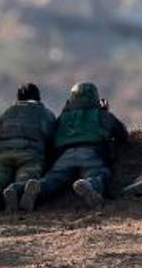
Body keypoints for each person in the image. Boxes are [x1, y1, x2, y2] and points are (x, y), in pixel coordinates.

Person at [20, 82, 127, 211]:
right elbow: (122, 134)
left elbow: (53, 137)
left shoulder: (63, 117)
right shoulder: (102, 115)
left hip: (65, 156)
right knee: (99, 175)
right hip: (91, 153)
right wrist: (104, 112)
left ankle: (39, 187)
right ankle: (89, 185)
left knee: (54, 179)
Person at [0, 83, 56, 214]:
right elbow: (50, 135)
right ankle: (15, 189)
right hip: (30, 154)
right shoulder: (45, 113)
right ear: (38, 97)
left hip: (4, 153)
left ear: (18, 98)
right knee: (27, 176)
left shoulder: (8, 112)